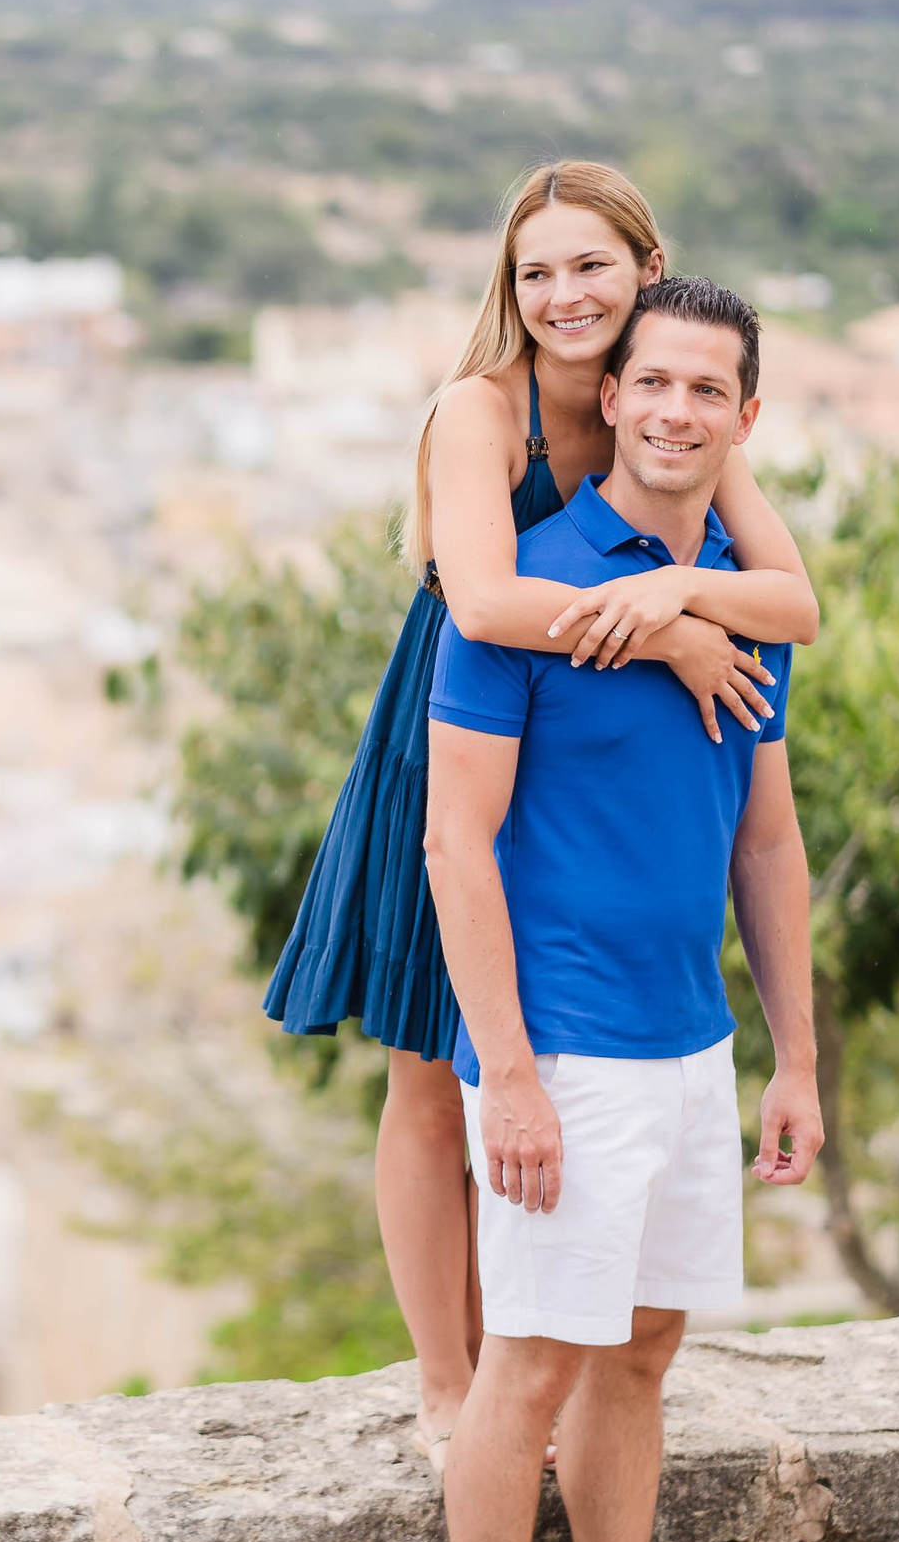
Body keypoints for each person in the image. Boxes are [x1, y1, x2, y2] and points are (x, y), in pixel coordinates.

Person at [261, 162, 819, 1473]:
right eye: (536, 272)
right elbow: (484, 599)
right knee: (426, 1055)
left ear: (641, 270)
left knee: (525, 1053)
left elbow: (793, 601)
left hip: (581, 761)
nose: (563, 294)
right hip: (455, 724)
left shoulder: (666, 398)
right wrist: (681, 631)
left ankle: (524, 1359)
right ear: (509, 293)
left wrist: (686, 583)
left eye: (590, 267)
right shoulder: (482, 408)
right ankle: (447, 1377)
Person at [422, 275, 824, 1542]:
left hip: (691, 1047)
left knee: (642, 1359)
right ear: (611, 396)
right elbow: (454, 844)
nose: (675, 410)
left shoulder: (742, 602)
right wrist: (511, 1077)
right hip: (564, 1050)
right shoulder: (522, 599)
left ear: (743, 416)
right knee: (529, 1372)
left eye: (708, 389)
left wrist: (794, 1061)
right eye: (652, 382)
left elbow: (765, 839)